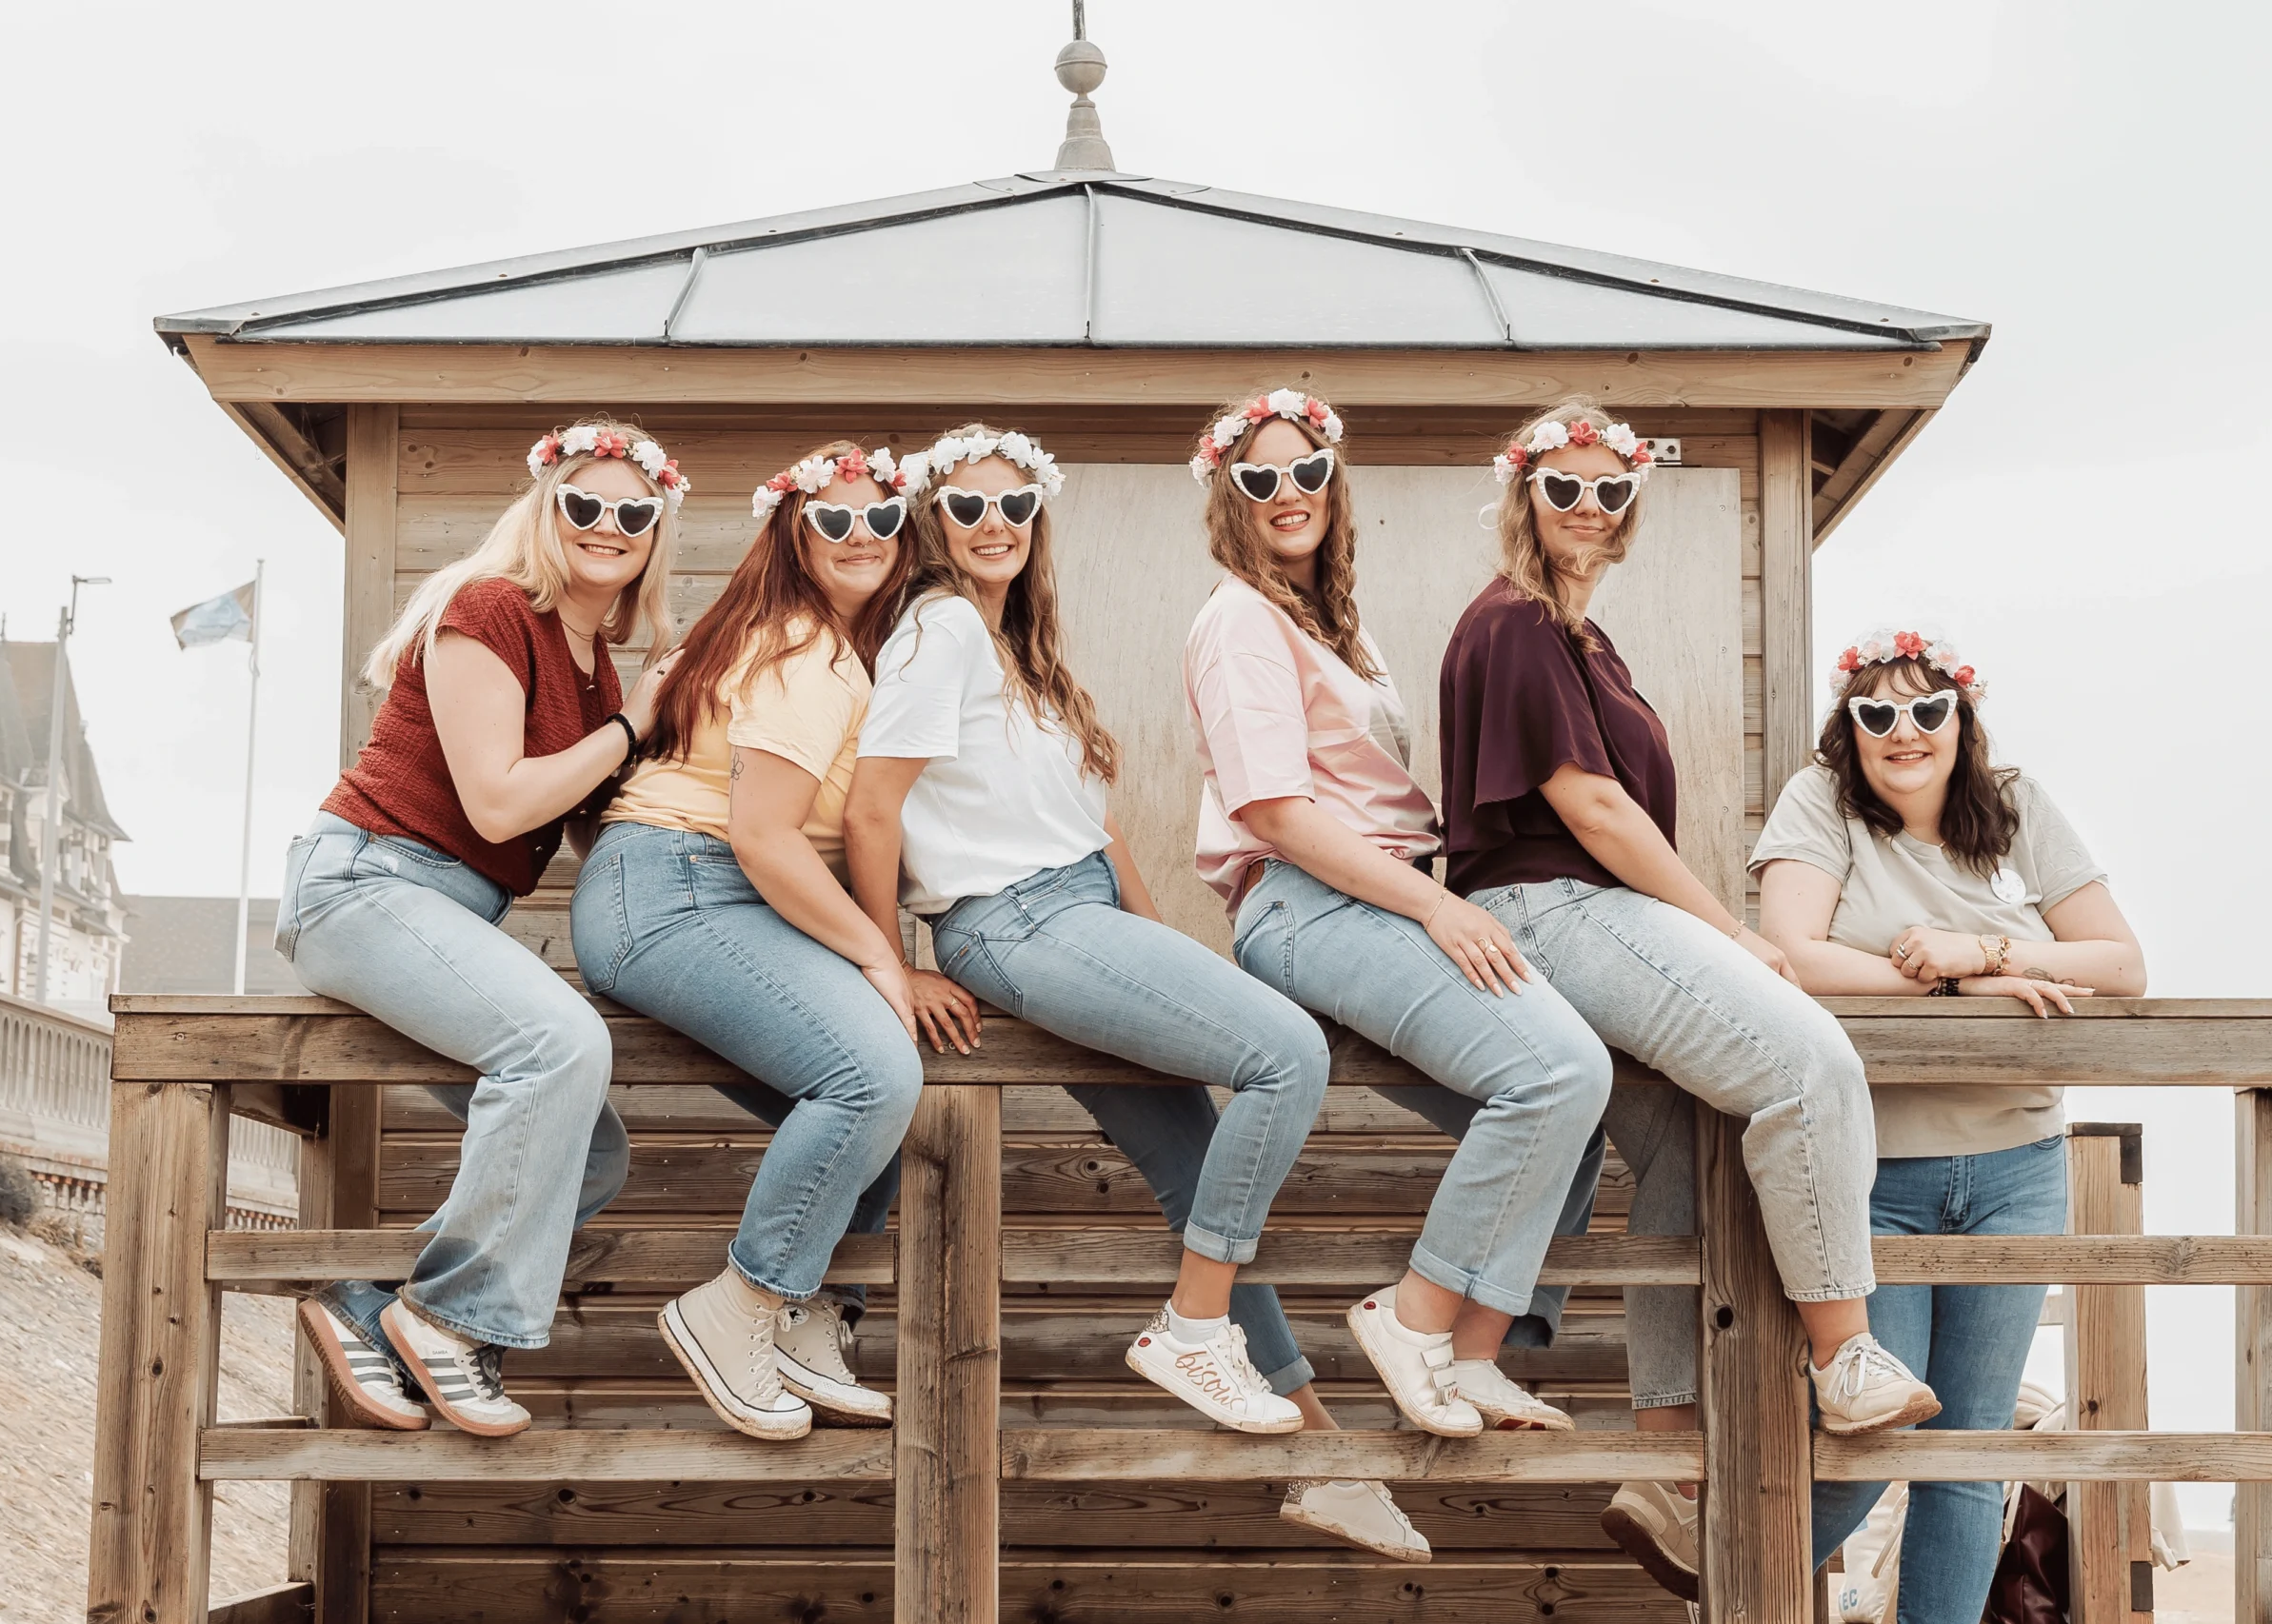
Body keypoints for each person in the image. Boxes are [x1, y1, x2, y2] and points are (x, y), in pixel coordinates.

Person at [841, 426, 1433, 1561]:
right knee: (1286, 1053)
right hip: (1011, 920)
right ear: (929, 519)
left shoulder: (1020, 648)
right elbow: (874, 810)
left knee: (1199, 1159)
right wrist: (891, 959)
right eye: (966, 506)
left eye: (1014, 503)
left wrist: (1156, 947)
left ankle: (1319, 1456)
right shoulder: (941, 626)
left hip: (1082, 917)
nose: (993, 523)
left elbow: (1095, 826)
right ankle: (1192, 1325)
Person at [1437, 399, 1944, 1600]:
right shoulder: (1512, 620)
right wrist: (1728, 929)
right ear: (1524, 492)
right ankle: (1847, 1353)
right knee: (1807, 1063)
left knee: (1681, 1144)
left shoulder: (1581, 635)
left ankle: (1664, 1456)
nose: (1588, 509)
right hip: (1552, 908)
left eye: (1610, 491)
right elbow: (1594, 810)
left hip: (1583, 913)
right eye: (1564, 486)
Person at [1180, 389, 1615, 1456]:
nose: (1289, 494)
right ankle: (1409, 1314)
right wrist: (1436, 904)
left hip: (1380, 890)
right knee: (1557, 1068)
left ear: (1336, 481)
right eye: (1260, 478)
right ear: (1227, 500)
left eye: (1307, 471)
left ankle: (1472, 1345)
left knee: (1580, 1101)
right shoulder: (1237, 616)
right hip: (1307, 895)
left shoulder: (1330, 622)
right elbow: (1274, 808)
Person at [279, 420, 684, 1436]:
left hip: (445, 909)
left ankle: (377, 1311)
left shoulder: (593, 668)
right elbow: (501, 805)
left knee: (589, 1155)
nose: (608, 524)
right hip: (366, 880)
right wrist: (635, 724)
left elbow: (601, 829)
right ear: (545, 509)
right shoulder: (490, 607)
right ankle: (454, 1325)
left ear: (654, 534)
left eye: (633, 511)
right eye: (583, 502)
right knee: (557, 1041)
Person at [1758, 627, 2146, 1622]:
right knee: (1861, 1437)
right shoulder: (1822, 803)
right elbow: (1789, 954)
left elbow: (2119, 963)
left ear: (1959, 720)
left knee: (1970, 1454)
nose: (1903, 729)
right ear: (1849, 728)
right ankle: (1728, 1582)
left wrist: (1976, 942)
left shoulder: (2012, 803)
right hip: (1870, 1167)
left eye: (1926, 708)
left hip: (2016, 1164)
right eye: (1875, 711)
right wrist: (1962, 975)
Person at [569, 442, 927, 1440]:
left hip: (702, 887)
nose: (861, 537)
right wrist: (879, 955)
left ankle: (808, 1319)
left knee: (881, 1105)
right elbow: (763, 833)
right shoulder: (803, 648)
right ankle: (737, 1304)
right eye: (834, 520)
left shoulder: (824, 648)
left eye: (882, 519)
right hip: (681, 886)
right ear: (793, 533)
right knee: (871, 1076)